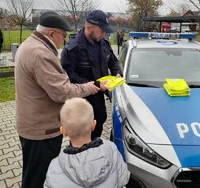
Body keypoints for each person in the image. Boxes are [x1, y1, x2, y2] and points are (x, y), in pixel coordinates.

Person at [15, 11, 100, 188]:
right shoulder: (41, 53)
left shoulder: (30, 45)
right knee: (39, 178)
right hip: (41, 130)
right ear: (52, 33)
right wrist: (89, 87)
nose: (65, 39)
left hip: (33, 124)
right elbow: (61, 91)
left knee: (33, 173)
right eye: (64, 35)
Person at [61, 10, 122, 139]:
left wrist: (117, 72)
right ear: (89, 28)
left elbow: (113, 61)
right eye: (102, 31)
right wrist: (93, 84)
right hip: (80, 102)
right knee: (80, 139)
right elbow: (68, 75)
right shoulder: (73, 48)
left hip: (98, 100)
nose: (104, 34)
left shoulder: (103, 44)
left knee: (98, 128)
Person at [44, 97, 130, 188]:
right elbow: (123, 179)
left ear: (63, 131)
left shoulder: (55, 166)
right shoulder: (111, 150)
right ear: (93, 125)